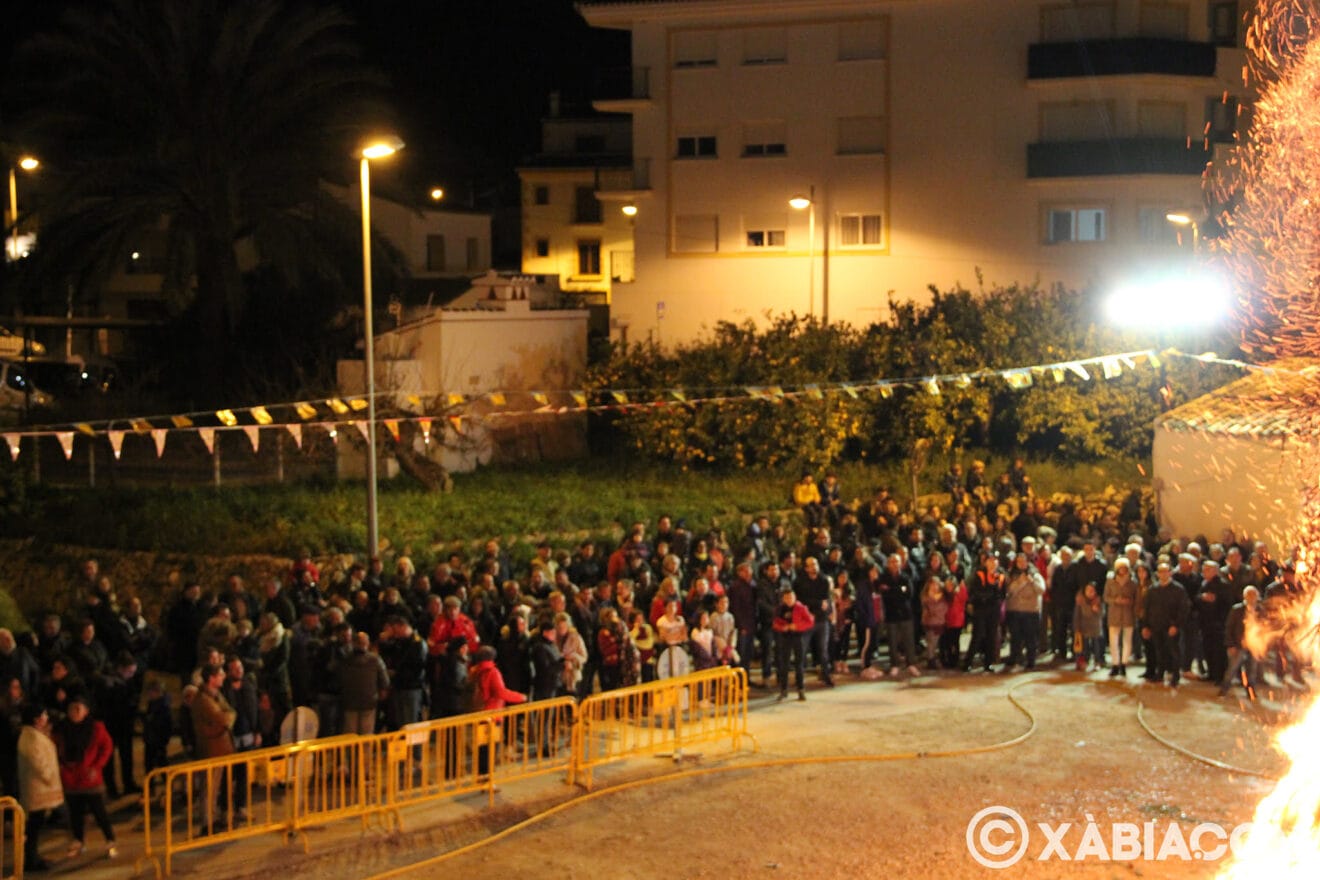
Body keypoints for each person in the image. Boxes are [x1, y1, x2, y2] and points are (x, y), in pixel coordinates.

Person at [54, 694, 117, 860]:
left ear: (86, 711)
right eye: (71, 709)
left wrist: (97, 766)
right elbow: (56, 749)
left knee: (99, 811)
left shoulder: (95, 728)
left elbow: (107, 747)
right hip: (70, 777)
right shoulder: (61, 729)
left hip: (90, 778)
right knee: (75, 813)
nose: (74, 712)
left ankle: (110, 839)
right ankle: (78, 840)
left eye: (78, 709)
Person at [18, 703, 64, 872]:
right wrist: (51, 775)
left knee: (36, 826)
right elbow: (39, 763)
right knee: (34, 827)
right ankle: (31, 859)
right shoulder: (31, 738)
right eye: (43, 715)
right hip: (38, 788)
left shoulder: (33, 734)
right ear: (36, 719)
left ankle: (33, 857)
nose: (46, 717)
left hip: (39, 787)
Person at [1142, 562, 1191, 688]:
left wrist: (1176, 625)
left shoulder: (1178, 589)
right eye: (1160, 571)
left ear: (1170, 573)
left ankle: (1175, 676)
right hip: (1156, 625)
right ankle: (1160, 674)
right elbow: (1147, 609)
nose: (1163, 574)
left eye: (1165, 571)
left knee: (1174, 652)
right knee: (1159, 651)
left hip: (1171, 627)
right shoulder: (1153, 589)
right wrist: (1146, 626)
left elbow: (1183, 609)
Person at [338, 631, 389, 736]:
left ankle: (351, 753)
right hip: (369, 701)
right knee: (367, 734)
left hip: (349, 701)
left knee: (349, 735)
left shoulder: (345, 660)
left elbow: (338, 678)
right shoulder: (375, 660)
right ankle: (365, 753)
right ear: (367, 643)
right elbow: (385, 680)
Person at [1004, 552, 1046, 671]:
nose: (1022, 564)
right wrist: (1019, 582)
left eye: (1024, 561)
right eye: (1019, 561)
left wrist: (1031, 581)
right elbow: (1008, 591)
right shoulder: (1011, 575)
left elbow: (1041, 590)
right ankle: (1014, 658)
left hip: (1030, 611)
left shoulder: (1035, 574)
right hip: (1014, 610)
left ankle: (1031, 660)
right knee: (1015, 637)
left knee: (1030, 638)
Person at [773, 587, 814, 701]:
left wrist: (797, 626)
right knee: (784, 664)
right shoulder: (780, 609)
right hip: (785, 637)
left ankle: (801, 689)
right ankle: (784, 690)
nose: (789, 599)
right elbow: (775, 623)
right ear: (783, 599)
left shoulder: (801, 608)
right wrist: (783, 627)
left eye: (791, 597)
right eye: (786, 597)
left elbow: (810, 622)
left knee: (799, 664)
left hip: (798, 637)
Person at [1104, 560, 1138, 677]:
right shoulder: (1110, 581)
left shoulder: (1133, 583)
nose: (1122, 570)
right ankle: (1115, 664)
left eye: (1125, 568)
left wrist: (1129, 601)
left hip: (1128, 614)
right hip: (1114, 614)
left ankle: (1124, 663)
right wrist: (1115, 600)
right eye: (1120, 568)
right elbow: (1106, 597)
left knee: (1127, 640)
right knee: (1113, 641)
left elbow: (1136, 598)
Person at [1073, 582, 1105, 671]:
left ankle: (1097, 661)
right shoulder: (1080, 601)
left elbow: (1103, 614)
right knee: (1084, 646)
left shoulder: (1098, 601)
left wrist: (1097, 610)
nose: (1090, 592)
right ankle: (1085, 661)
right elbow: (1077, 615)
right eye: (1088, 590)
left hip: (1095, 627)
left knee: (1096, 646)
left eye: (1092, 590)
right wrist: (1077, 628)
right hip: (1084, 627)